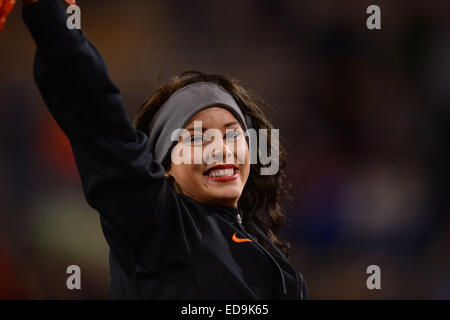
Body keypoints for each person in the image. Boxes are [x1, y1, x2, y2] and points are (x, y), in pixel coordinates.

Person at [8, 0, 307, 299]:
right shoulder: (162, 227)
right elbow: (97, 115)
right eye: (196, 138)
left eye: (232, 135)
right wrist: (49, 15)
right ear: (165, 166)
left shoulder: (278, 265)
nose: (220, 149)